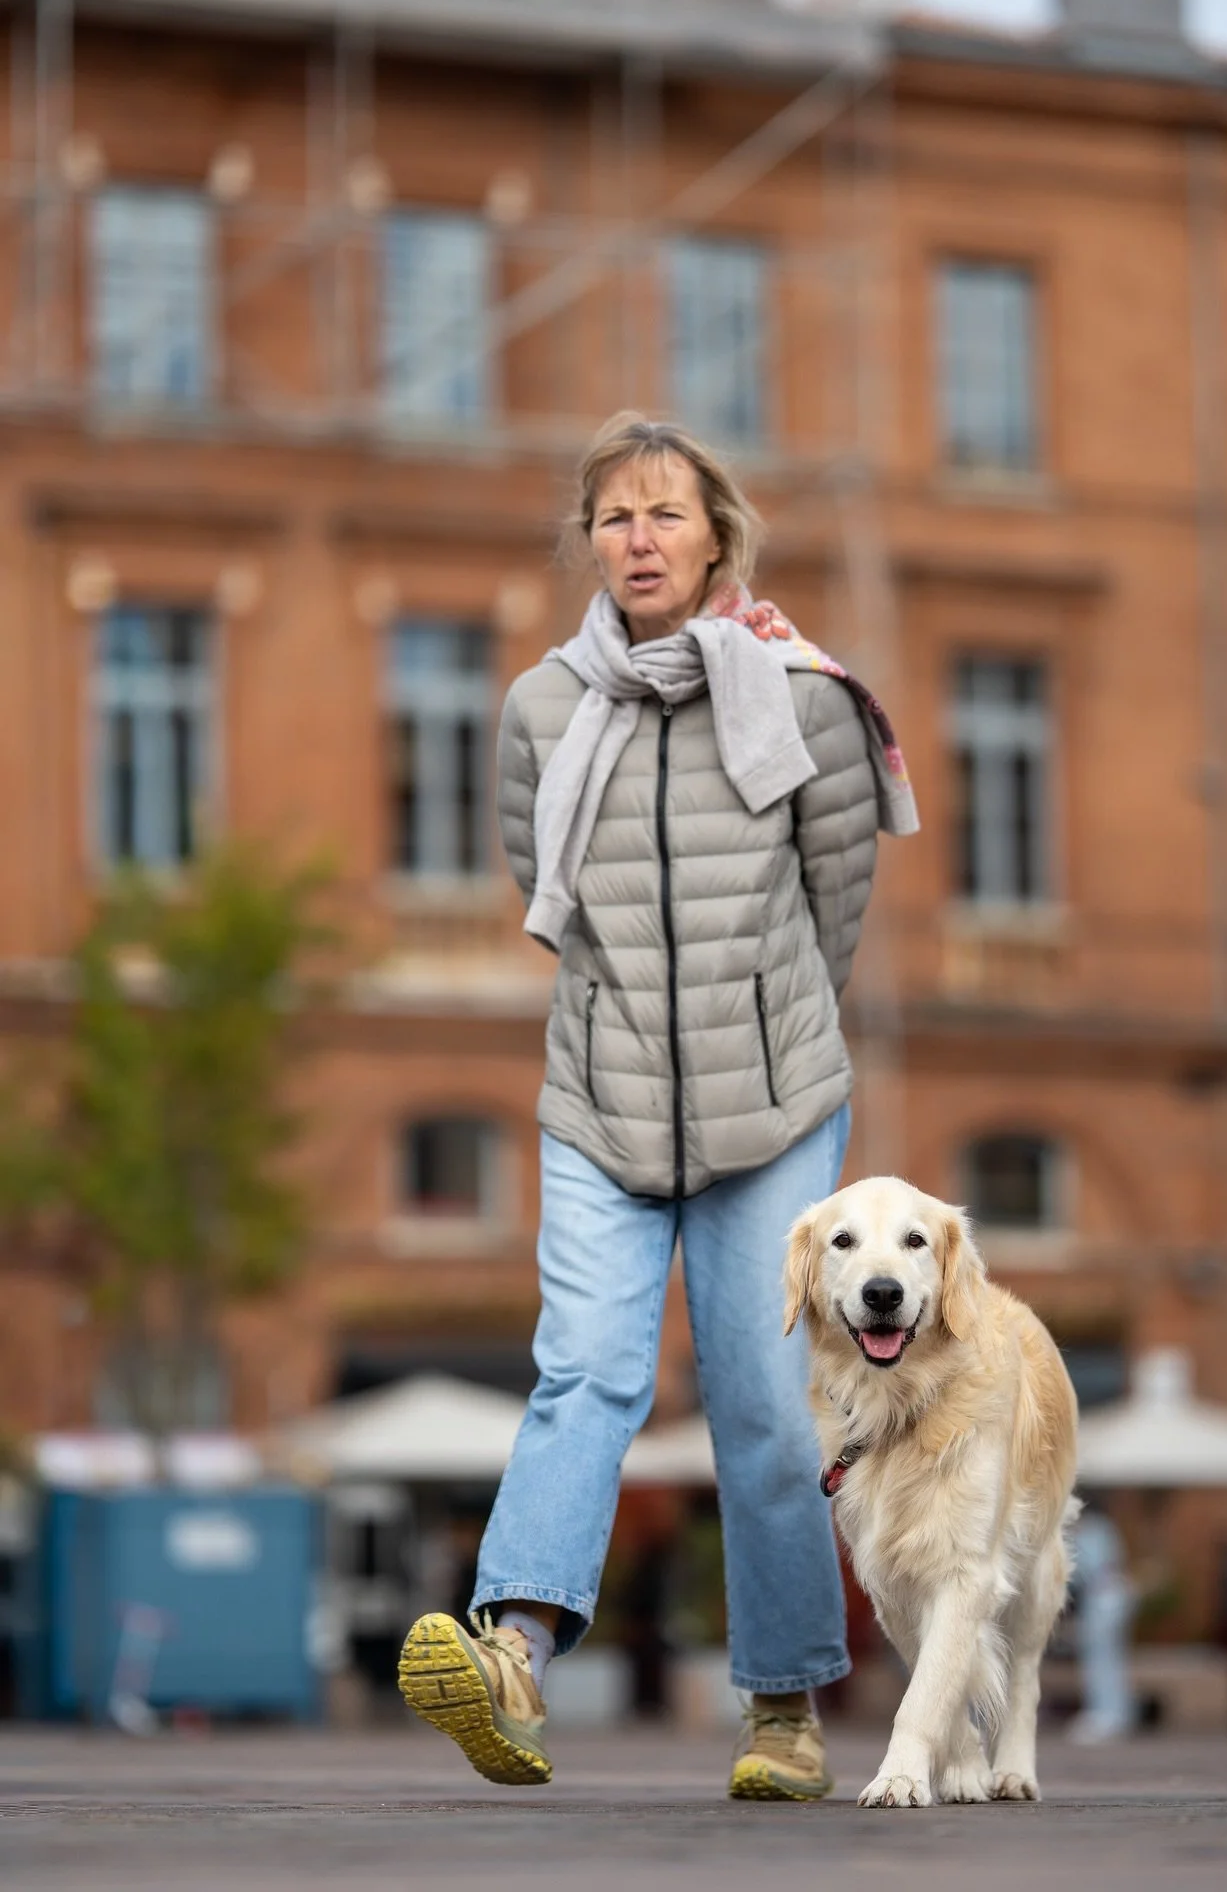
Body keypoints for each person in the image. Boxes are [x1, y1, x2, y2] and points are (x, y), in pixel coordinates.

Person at [397, 413, 918, 1798]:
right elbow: (545, 895)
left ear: (715, 535)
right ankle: (510, 1653)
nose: (639, 538)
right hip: (601, 1097)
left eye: (665, 515)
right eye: (615, 516)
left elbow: (838, 900)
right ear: (590, 539)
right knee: (587, 1369)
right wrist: (633, 1025)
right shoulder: (540, 710)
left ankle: (787, 1713)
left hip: (774, 1100)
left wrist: (762, 1024)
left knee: (760, 1403)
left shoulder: (802, 697)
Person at [1067, 1497, 1136, 1745]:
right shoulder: (1103, 1528)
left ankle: (1107, 1715)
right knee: (1110, 1659)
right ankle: (1118, 1713)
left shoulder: (1090, 1531)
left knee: (1100, 1659)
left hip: (1104, 1598)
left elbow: (1081, 1570)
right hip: (1112, 1596)